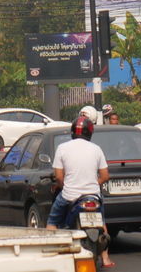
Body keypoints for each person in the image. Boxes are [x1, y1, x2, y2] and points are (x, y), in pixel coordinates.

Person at [46, 114, 113, 268]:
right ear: (90, 132)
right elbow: (105, 176)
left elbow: (59, 177)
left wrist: (64, 186)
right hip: (93, 196)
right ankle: (106, 257)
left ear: (72, 132)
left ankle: (53, 256)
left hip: (70, 196)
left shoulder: (62, 148)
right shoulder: (96, 149)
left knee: (52, 221)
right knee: (101, 222)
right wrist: (91, 184)